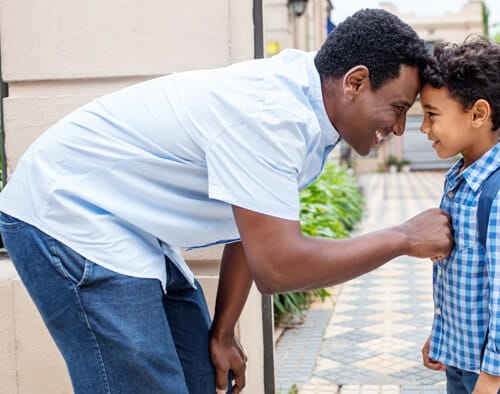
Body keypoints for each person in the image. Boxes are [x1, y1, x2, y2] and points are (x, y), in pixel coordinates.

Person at [0, 9, 453, 394]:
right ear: (355, 82)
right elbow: (279, 265)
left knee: (202, 374)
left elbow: (253, 224)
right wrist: (403, 237)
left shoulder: (310, 103)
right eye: (397, 109)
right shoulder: (273, 117)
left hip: (128, 227)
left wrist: (224, 331)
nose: (398, 129)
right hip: (66, 211)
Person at [418, 36, 500, 394]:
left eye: (431, 115)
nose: (424, 128)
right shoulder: (460, 178)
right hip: (463, 362)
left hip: (497, 376)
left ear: (478, 114)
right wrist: (440, 335)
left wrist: (489, 383)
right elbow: (461, 277)